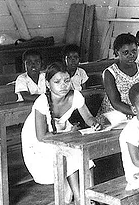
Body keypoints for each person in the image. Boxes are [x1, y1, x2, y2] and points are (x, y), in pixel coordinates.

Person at [21, 62, 101, 205]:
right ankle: (80, 198)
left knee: (83, 156)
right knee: (70, 155)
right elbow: (41, 136)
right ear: (47, 83)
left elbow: (88, 118)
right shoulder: (42, 102)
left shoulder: (75, 96)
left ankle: (85, 197)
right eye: (57, 82)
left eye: (66, 81)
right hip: (37, 140)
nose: (63, 85)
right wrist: (69, 135)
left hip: (60, 131)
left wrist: (94, 123)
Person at [96, 33, 139, 127]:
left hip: (136, 112)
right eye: (126, 53)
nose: (131, 55)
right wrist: (137, 112)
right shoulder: (110, 73)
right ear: (117, 52)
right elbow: (115, 103)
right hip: (113, 115)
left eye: (134, 51)